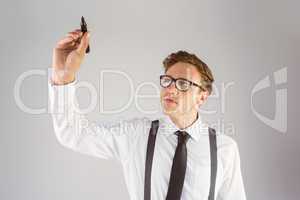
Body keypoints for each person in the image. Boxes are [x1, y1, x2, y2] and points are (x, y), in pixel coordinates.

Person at [48, 29, 246, 200]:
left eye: (183, 84)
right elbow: (73, 134)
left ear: (202, 97)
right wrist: (63, 76)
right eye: (167, 80)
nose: (171, 89)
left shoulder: (225, 149)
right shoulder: (136, 134)